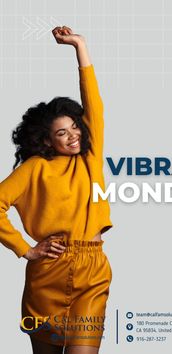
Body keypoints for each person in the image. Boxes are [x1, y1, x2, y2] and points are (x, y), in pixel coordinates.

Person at [0, 26, 113, 354]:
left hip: (92, 271)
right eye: (62, 133)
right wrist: (25, 248)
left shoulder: (89, 158)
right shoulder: (34, 168)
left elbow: (94, 105)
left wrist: (80, 46)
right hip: (48, 271)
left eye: (75, 126)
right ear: (46, 140)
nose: (73, 135)